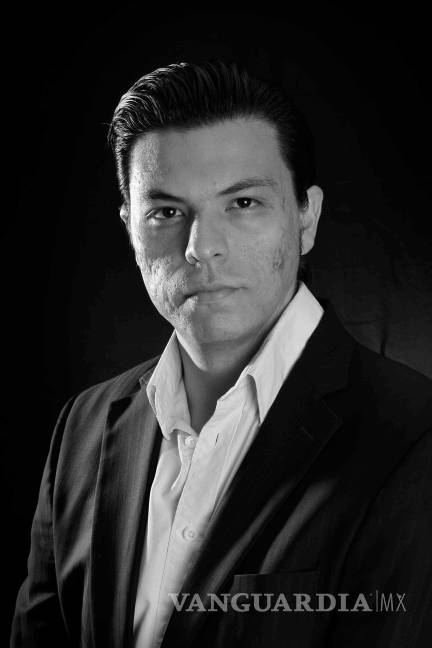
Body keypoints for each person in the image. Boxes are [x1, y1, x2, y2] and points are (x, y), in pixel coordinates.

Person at [11, 60, 432, 648]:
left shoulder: (415, 439)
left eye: (243, 203)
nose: (200, 248)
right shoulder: (82, 426)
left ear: (306, 217)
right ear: (131, 228)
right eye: (166, 212)